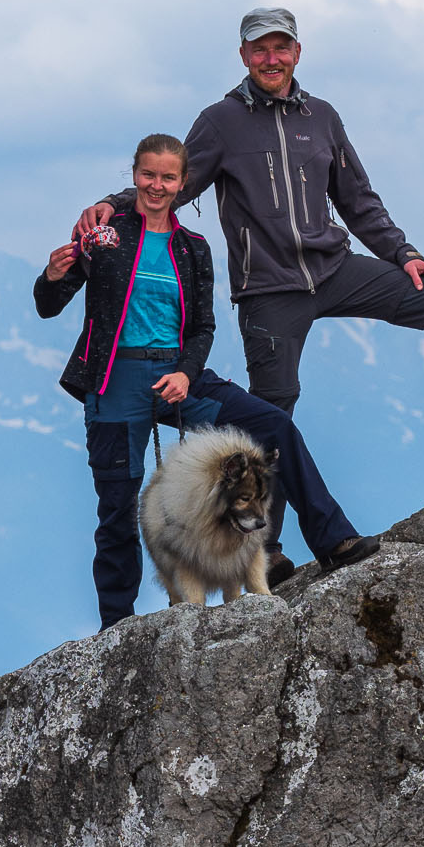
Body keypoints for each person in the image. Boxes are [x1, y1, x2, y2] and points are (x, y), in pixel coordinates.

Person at [76, 8, 424, 585]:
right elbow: (172, 185)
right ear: (243, 56)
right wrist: (114, 201)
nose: (271, 59)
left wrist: (405, 256)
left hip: (335, 268)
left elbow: (358, 199)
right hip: (270, 287)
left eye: (281, 48)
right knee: (272, 413)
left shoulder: (322, 117)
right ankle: (268, 549)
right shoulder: (221, 122)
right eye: (260, 50)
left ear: (298, 52)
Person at [35, 132, 379, 629]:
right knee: (116, 512)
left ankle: (333, 539)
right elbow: (49, 306)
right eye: (148, 175)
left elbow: (203, 327)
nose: (156, 185)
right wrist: (50, 275)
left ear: (182, 183)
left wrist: (185, 373)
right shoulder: (104, 237)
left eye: (167, 177)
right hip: (114, 381)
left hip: (181, 375)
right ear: (134, 177)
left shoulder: (191, 248)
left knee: (274, 427)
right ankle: (116, 631)